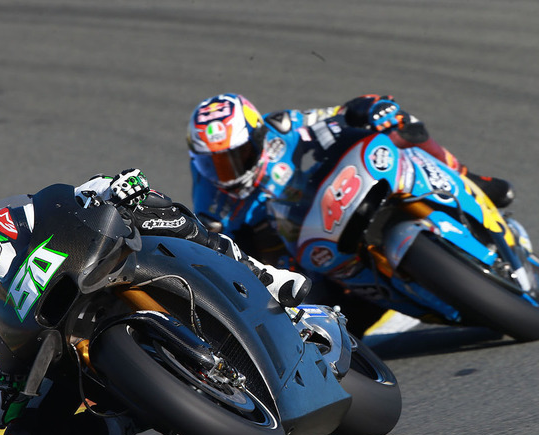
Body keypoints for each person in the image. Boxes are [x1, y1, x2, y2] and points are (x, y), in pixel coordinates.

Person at [0, 169, 310, 435]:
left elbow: (59, 206)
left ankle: (261, 274)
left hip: (88, 277)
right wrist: (6, 391)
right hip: (47, 361)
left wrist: (106, 189)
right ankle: (125, 420)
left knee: (146, 204)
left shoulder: (2, 225)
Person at [186, 93, 515, 335]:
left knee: (402, 129)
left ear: (257, 136)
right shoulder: (210, 203)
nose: (226, 171)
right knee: (328, 322)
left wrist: (372, 108)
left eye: (236, 156)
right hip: (305, 254)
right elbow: (226, 258)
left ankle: (470, 178)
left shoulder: (283, 127)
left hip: (340, 196)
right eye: (212, 163)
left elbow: (340, 114)